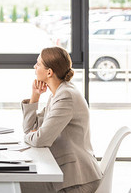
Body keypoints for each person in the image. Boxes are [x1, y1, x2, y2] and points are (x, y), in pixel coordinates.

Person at [20, 47, 102, 193]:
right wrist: (35, 96)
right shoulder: (58, 93)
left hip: (78, 180)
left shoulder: (66, 96)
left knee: (15, 186)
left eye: (38, 64)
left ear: (49, 72)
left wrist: (28, 137)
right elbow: (30, 128)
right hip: (67, 173)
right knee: (14, 184)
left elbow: (40, 139)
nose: (34, 66)